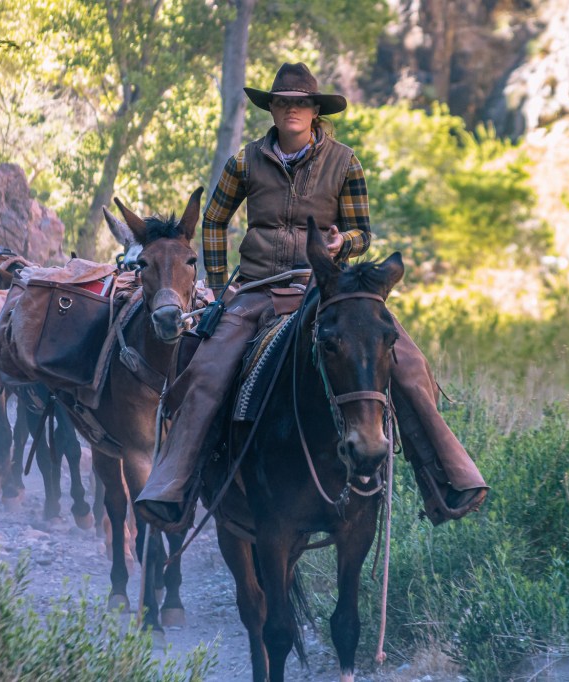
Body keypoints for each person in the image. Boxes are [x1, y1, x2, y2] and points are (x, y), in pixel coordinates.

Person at [135, 63, 488, 533]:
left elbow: (363, 231)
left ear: (314, 111)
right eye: (283, 102)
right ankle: (176, 486)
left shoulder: (346, 161)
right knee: (206, 370)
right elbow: (215, 219)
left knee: (406, 360)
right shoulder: (246, 160)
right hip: (258, 289)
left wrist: (347, 245)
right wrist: (221, 286)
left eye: (300, 102)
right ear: (274, 110)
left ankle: (445, 480)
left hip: (326, 289)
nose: (291, 110)